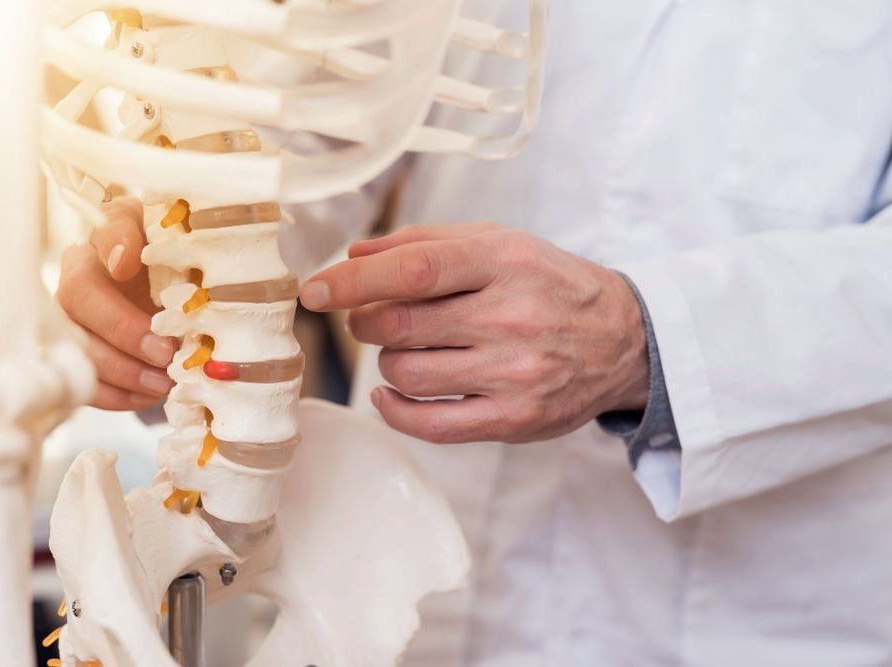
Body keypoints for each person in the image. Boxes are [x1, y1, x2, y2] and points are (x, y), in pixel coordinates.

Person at [56, 2, 892, 664]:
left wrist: (646, 339)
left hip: (757, 614)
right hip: (429, 594)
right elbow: (323, 128)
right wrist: (185, 252)